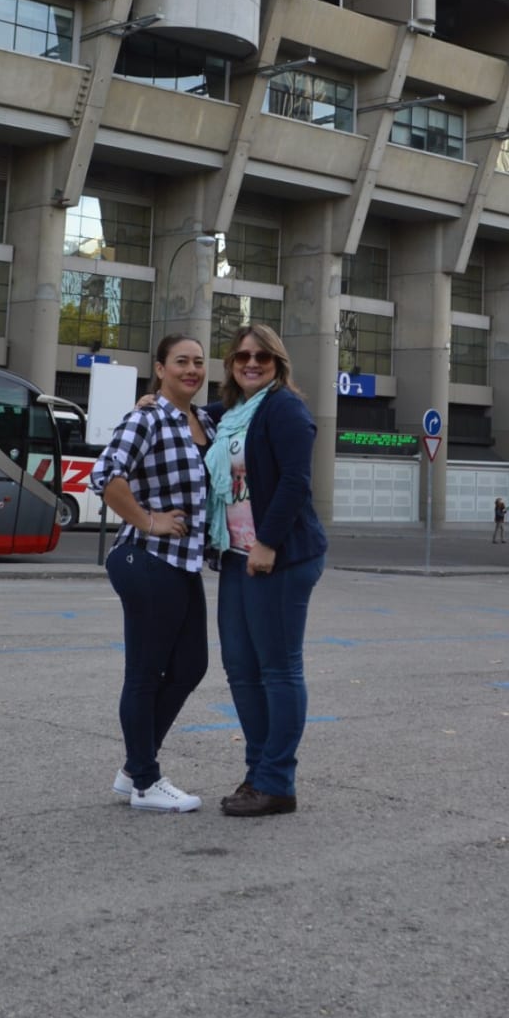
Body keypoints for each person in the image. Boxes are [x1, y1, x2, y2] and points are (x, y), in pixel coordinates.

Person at [92, 333, 216, 812]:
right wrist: (148, 519)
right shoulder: (146, 417)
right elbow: (105, 475)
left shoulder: (205, 420)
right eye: (181, 361)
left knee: (190, 666)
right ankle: (145, 780)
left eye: (199, 362)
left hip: (183, 564)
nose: (192, 369)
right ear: (160, 368)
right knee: (145, 674)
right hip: (144, 558)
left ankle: (132, 769)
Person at [208, 324, 327, 818]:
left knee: (278, 669)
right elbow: (191, 414)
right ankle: (258, 772)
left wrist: (268, 541)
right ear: (232, 364)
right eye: (241, 356)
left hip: (278, 555)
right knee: (240, 668)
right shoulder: (233, 414)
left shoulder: (285, 408)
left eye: (262, 356)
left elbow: (296, 481)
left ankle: (277, 781)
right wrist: (153, 403)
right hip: (235, 554)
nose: (251, 363)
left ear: (278, 362)